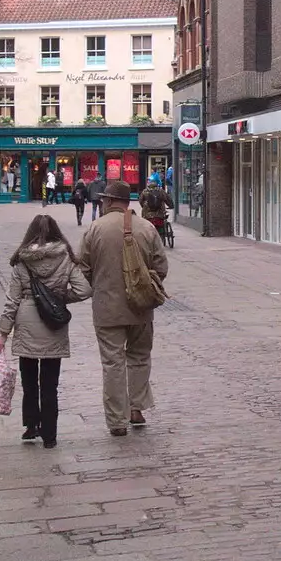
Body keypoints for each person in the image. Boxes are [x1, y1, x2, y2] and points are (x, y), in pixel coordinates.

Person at [78, 180, 169, 436]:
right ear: (128, 202)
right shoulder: (147, 228)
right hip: (141, 307)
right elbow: (161, 267)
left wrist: (98, 284)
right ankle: (136, 409)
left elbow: (82, 268)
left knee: (113, 363)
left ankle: (117, 421)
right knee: (139, 357)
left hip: (107, 307)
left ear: (107, 201)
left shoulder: (95, 228)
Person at [0, 214, 91, 448]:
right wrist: (58, 298)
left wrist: (3, 332)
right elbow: (84, 290)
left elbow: (12, 300)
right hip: (53, 322)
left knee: (29, 381)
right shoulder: (66, 258)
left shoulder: (23, 260)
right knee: (50, 383)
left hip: (27, 320)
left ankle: (30, 426)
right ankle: (50, 435)